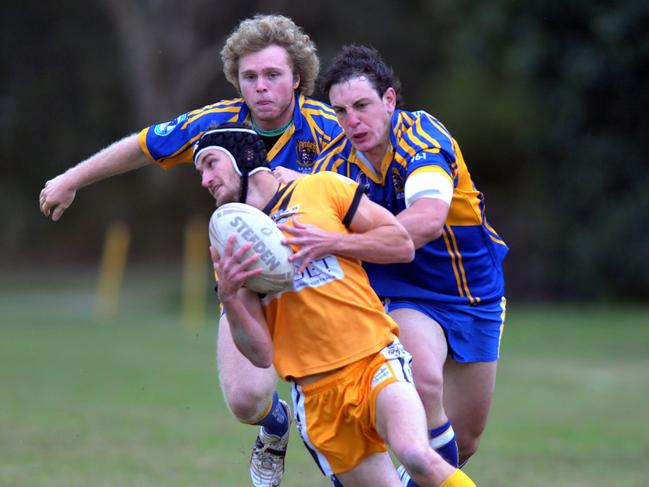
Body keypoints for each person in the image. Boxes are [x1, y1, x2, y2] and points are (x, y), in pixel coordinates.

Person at [39, 15, 342, 487]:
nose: (260, 87)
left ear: (297, 78)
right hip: (246, 279)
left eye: (272, 75)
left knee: (342, 408)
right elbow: (142, 146)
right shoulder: (217, 122)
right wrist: (70, 179)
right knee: (245, 401)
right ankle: (275, 425)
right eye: (250, 77)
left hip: (318, 278)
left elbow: (365, 195)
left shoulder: (329, 129)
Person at [197, 122, 477, 487]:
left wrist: (330, 242)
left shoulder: (321, 187)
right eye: (200, 171)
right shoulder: (230, 245)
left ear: (244, 157)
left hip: (374, 360)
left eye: (210, 164)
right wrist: (230, 298)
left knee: (416, 454)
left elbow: (401, 244)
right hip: (317, 398)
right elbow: (262, 354)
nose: (204, 179)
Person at [314, 45, 508, 482]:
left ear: (389, 100)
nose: (352, 121)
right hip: (405, 296)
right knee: (421, 374)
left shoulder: (420, 137)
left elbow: (426, 221)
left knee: (465, 440)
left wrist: (336, 241)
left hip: (473, 293)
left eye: (362, 105)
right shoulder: (333, 167)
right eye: (340, 111)